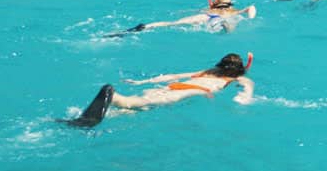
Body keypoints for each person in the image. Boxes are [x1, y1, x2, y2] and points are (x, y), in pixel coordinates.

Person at [65, 52, 255, 128]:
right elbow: (247, 89)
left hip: (169, 87)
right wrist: (244, 99)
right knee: (136, 103)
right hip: (187, 91)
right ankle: (113, 95)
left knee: (140, 107)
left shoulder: (208, 71)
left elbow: (173, 76)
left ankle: (79, 120)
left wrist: (142, 82)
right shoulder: (239, 78)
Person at [105, 0, 255, 37]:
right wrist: (250, 15)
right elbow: (250, 8)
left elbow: (189, 12)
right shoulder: (233, 11)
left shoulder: (208, 10)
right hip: (222, 19)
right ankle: (224, 26)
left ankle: (145, 26)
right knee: (228, 28)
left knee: (173, 24)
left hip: (206, 17)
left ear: (214, 3)